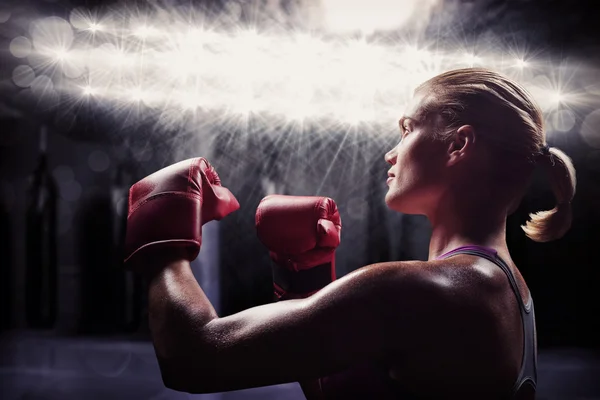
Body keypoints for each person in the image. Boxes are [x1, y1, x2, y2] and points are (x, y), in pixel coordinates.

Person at [123, 67, 577, 399]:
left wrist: (162, 243)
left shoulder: (426, 289)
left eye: (407, 128)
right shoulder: (508, 288)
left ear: (458, 144)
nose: (391, 152)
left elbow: (195, 359)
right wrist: (305, 280)